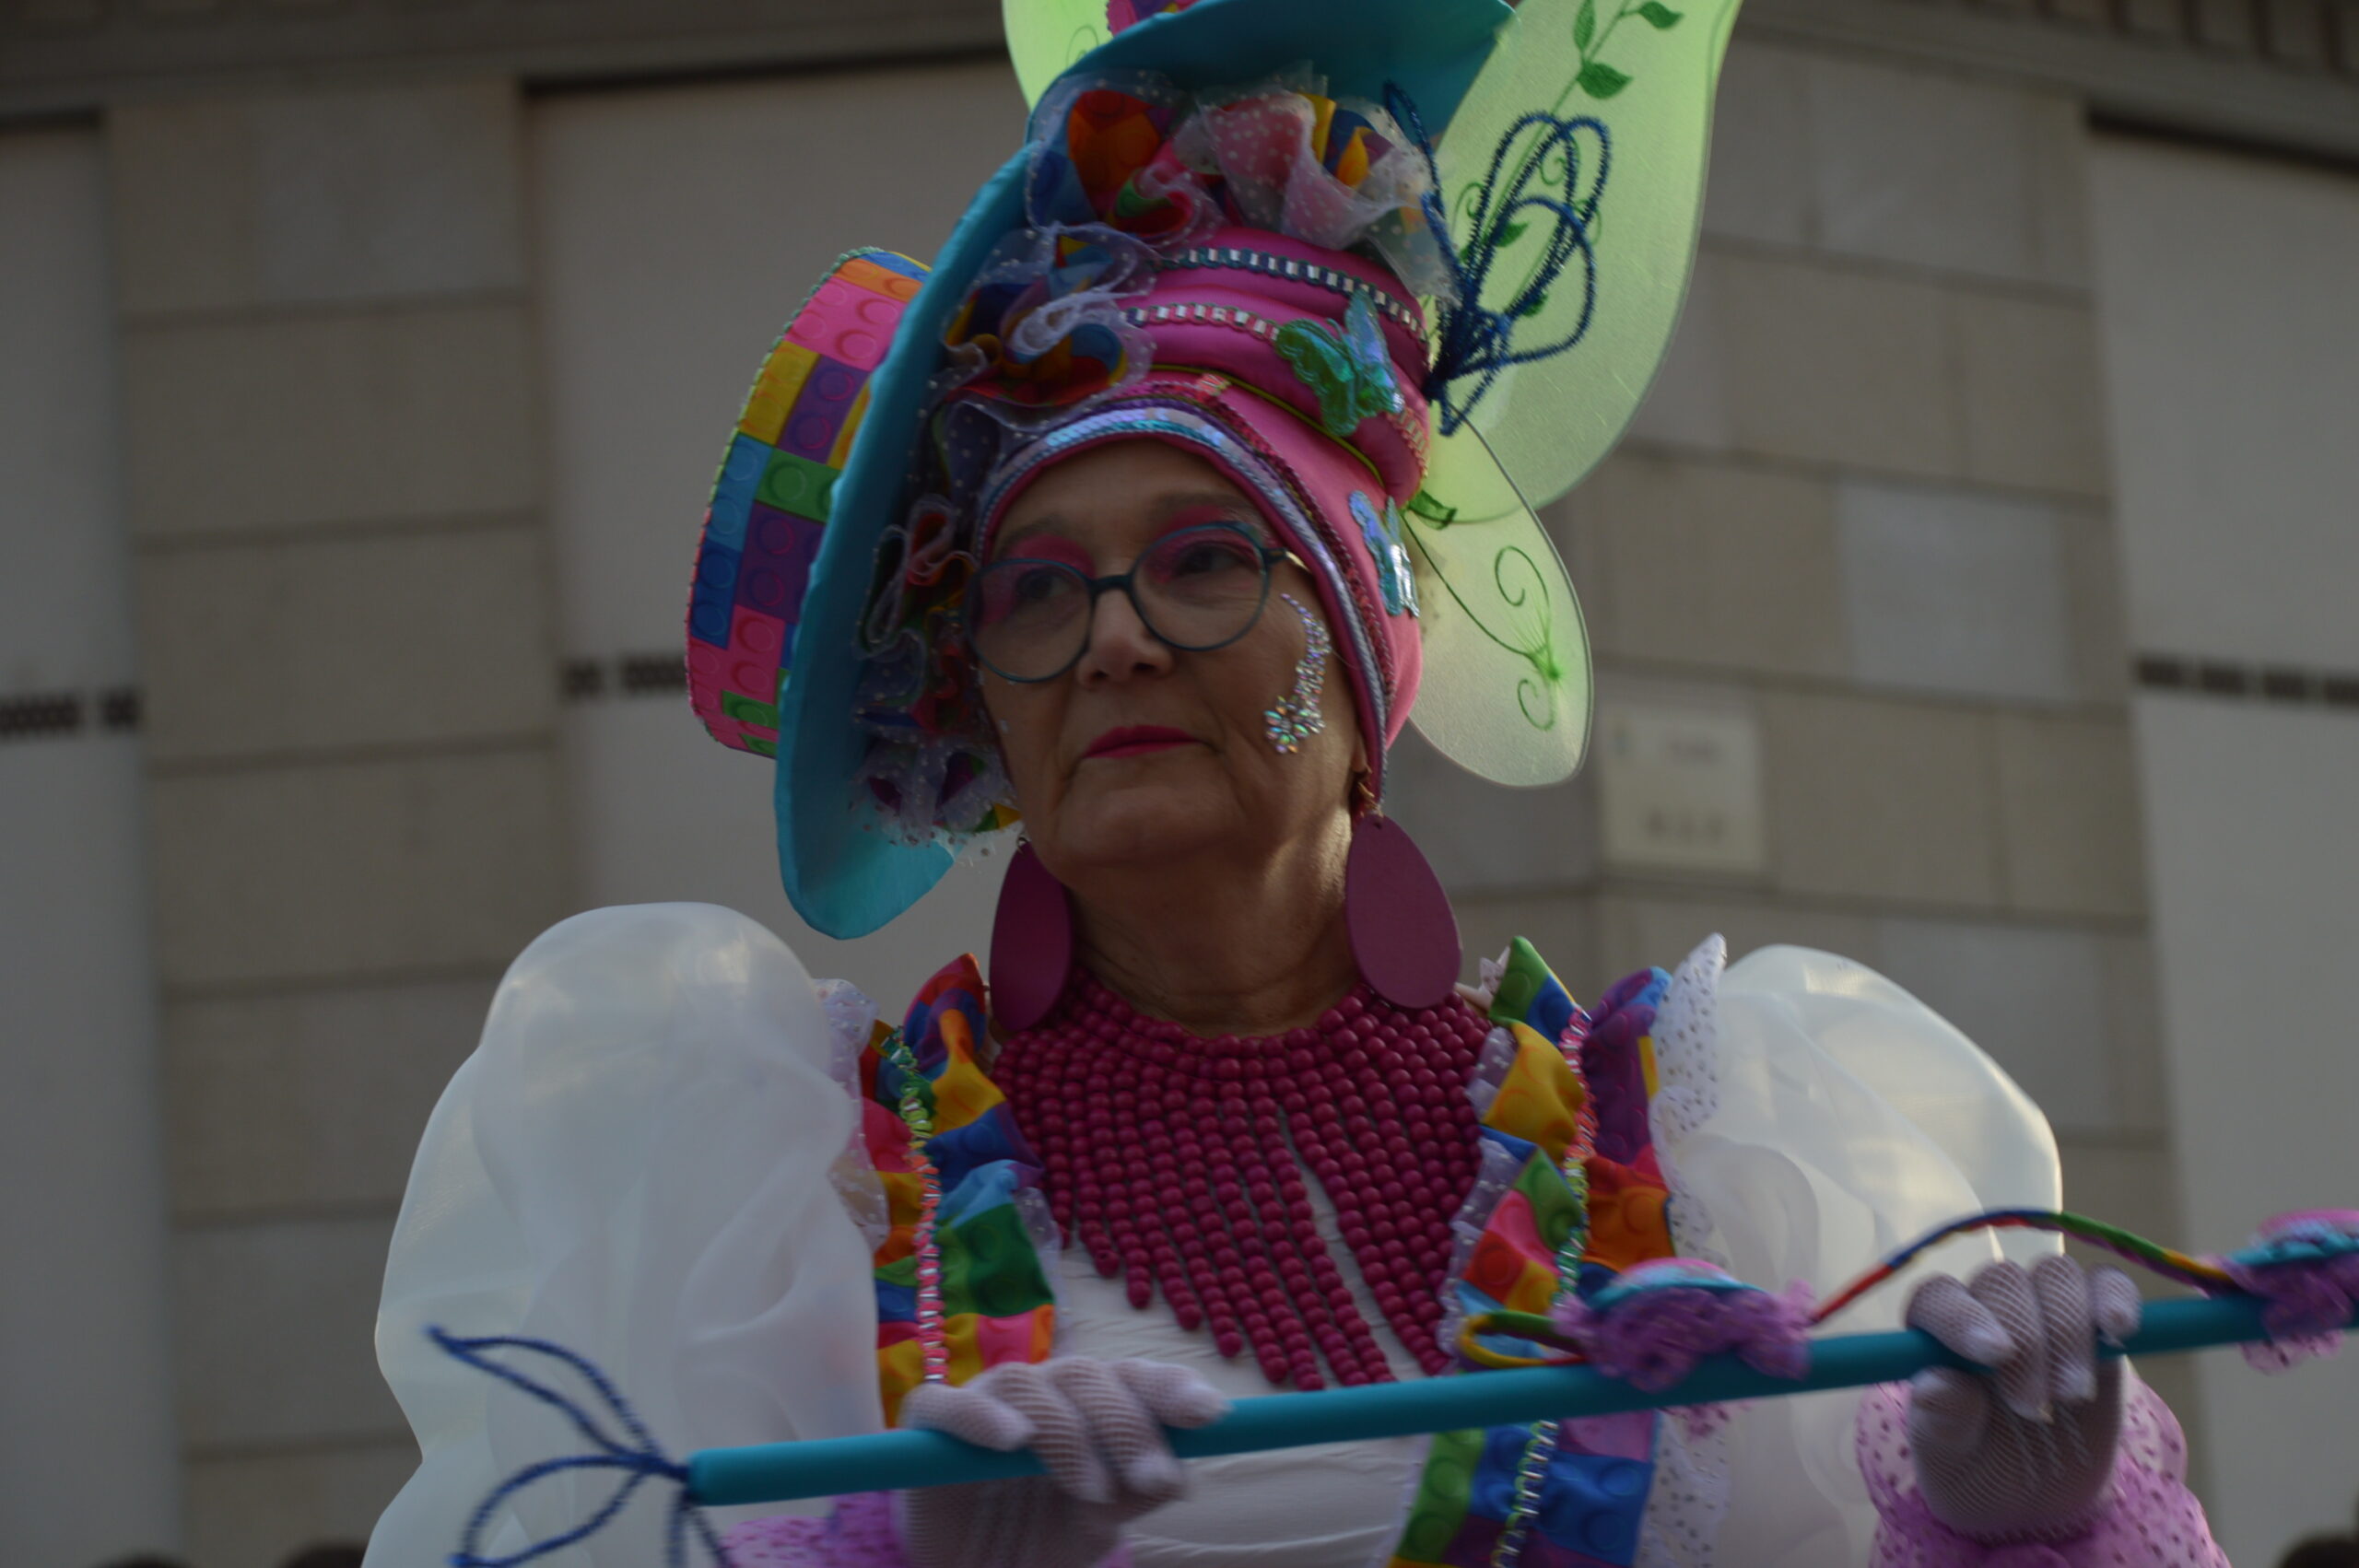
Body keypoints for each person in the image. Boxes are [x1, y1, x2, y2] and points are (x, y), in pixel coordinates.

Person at [362, 1, 2231, 1564]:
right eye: (1030, 589)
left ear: (1362, 672)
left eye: (1198, 559)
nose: (1106, 638)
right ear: (987, 721)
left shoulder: (1733, 1153)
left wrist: (2019, 1524)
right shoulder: (793, 1192)